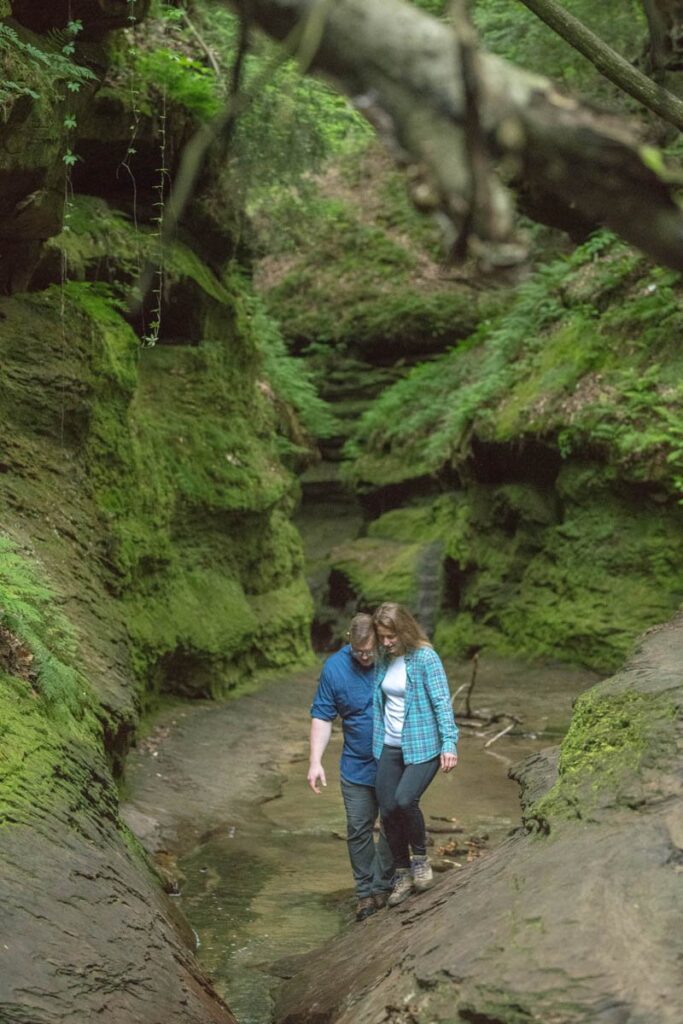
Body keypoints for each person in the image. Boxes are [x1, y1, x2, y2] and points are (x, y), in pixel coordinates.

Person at [308, 613, 394, 922]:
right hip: (356, 765)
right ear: (349, 641)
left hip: (393, 761)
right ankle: (364, 893)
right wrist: (315, 761)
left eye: (370, 650)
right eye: (359, 652)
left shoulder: (393, 658)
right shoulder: (334, 669)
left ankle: (384, 885)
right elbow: (322, 716)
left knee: (391, 823)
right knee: (358, 828)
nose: (366, 656)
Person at [372, 601, 458, 907]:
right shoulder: (383, 659)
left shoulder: (425, 658)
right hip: (389, 746)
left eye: (391, 636)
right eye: (382, 637)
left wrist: (449, 742)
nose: (386, 642)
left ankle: (420, 859)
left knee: (405, 799)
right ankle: (402, 872)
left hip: (423, 745)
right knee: (388, 810)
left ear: (404, 630)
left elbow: (441, 702)